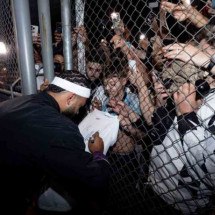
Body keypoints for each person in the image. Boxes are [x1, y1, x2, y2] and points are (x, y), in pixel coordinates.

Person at [0, 71, 110, 215]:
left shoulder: (15, 102)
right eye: (80, 106)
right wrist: (98, 153)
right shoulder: (61, 128)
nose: (78, 112)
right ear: (70, 98)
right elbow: (94, 178)